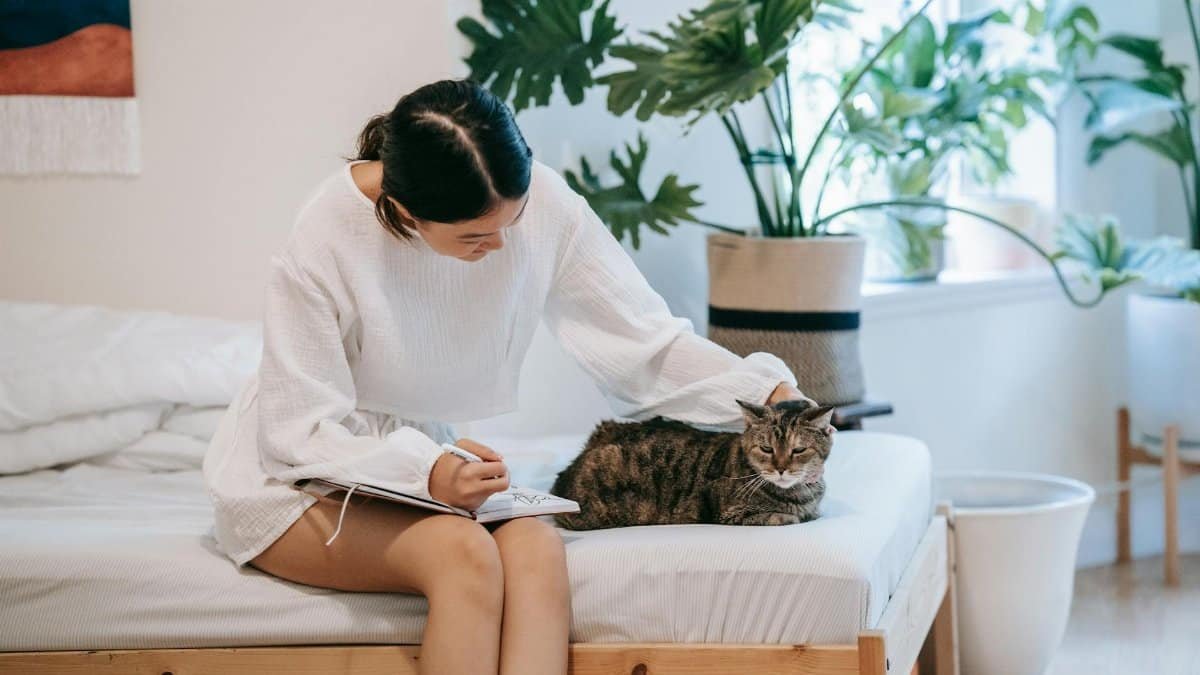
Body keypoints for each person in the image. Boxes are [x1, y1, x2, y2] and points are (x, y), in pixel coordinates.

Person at [201, 78, 810, 675]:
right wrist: (427, 470)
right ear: (406, 210)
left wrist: (766, 396)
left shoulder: (542, 203)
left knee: (536, 548)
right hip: (298, 475)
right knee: (462, 555)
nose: (498, 246)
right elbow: (297, 432)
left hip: (419, 465)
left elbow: (642, 342)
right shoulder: (323, 238)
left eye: (510, 225)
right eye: (473, 236)